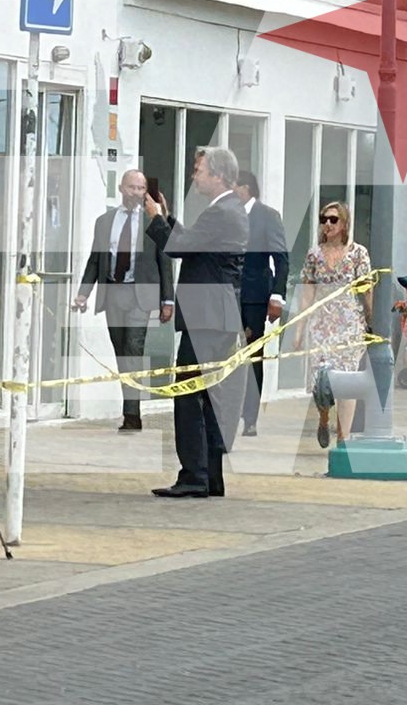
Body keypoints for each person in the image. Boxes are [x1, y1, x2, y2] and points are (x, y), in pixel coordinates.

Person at [144, 147, 248, 499]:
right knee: (208, 397)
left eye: (200, 170)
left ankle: (194, 475)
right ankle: (210, 476)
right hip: (215, 316)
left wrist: (156, 219)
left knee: (189, 395)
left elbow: (177, 248)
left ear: (218, 175)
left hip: (207, 317)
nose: (195, 176)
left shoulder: (222, 212)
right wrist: (169, 218)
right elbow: (192, 244)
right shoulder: (225, 210)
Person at [74, 169, 173, 432]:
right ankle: (130, 407)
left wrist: (168, 300)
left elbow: (165, 261)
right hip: (113, 294)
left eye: (141, 189)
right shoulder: (104, 221)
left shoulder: (153, 222)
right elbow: (95, 260)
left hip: (140, 296)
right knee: (121, 352)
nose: (137, 193)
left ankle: (132, 415)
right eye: (132, 188)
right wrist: (84, 293)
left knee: (133, 350)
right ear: (121, 188)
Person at [294, 200, 373, 448]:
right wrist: (299, 329)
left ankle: (344, 438)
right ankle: (324, 417)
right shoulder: (314, 254)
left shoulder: (358, 253)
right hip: (321, 322)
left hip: (349, 321)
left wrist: (370, 319)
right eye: (323, 219)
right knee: (322, 380)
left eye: (333, 219)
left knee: (347, 380)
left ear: (344, 222)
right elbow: (307, 292)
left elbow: (367, 289)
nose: (327, 224)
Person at [234, 170, 288, 438]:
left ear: (245, 189)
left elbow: (281, 259)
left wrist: (277, 296)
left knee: (252, 358)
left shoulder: (267, 216)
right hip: (226, 296)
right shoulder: (224, 214)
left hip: (255, 298)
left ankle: (250, 417)